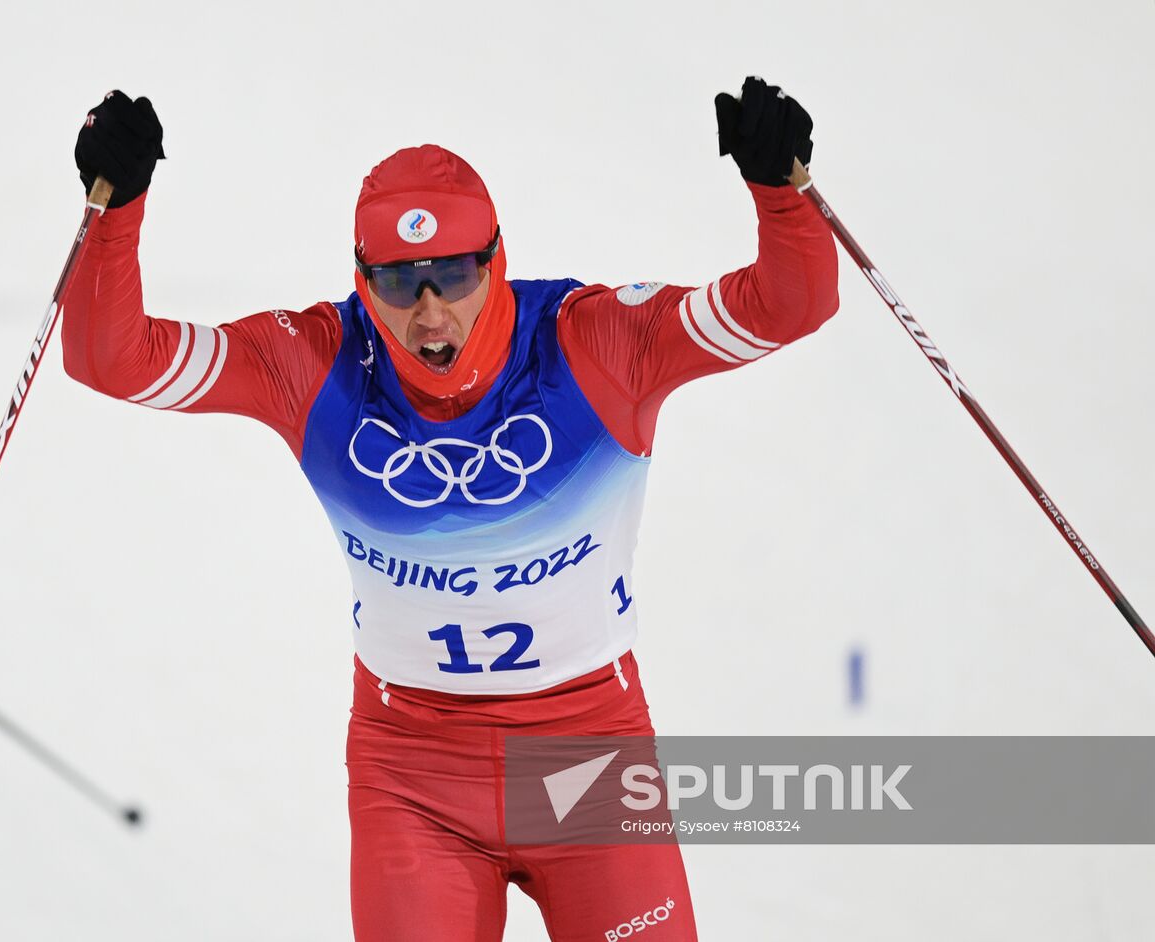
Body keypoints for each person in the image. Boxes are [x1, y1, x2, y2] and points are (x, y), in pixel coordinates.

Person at [64, 76, 838, 941]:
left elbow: (790, 303)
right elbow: (112, 359)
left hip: (589, 750)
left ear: (495, 260)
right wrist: (116, 210)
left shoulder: (597, 342)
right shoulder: (312, 362)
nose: (430, 312)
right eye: (398, 283)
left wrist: (782, 189)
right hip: (413, 770)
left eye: (454, 275)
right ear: (362, 282)